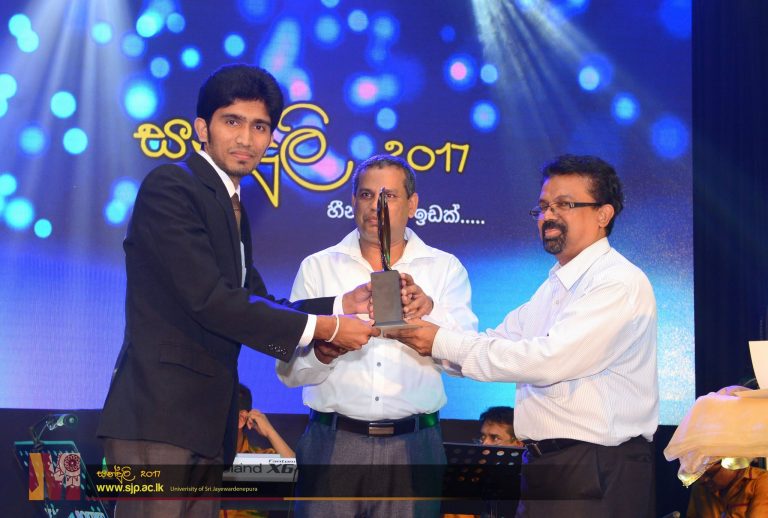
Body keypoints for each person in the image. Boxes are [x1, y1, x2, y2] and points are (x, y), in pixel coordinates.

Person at [96, 64, 378, 518]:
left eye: (260, 126)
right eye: (233, 121)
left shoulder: (231, 206)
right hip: (157, 420)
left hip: (207, 426)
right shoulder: (172, 186)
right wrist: (326, 328)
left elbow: (255, 302)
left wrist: (342, 304)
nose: (247, 138)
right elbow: (210, 300)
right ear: (201, 128)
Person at [393, 154, 659, 517]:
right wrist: (424, 319)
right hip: (546, 466)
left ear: (603, 214)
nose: (549, 216)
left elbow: (547, 361)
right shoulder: (552, 288)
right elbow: (493, 342)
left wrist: (438, 339)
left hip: (596, 467)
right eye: (544, 207)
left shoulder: (616, 282)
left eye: (564, 204)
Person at [276, 153, 478, 517]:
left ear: (412, 205)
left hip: (415, 446)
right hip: (333, 442)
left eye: (389, 196)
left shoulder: (445, 268)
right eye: (367, 195)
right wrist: (324, 351)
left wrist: (426, 313)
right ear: (353, 202)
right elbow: (289, 372)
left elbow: (464, 362)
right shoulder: (318, 267)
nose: (376, 206)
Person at [686, 458, 768, 517]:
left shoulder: (761, 481)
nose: (702, 480)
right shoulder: (700, 488)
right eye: (698, 475)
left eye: (709, 474)